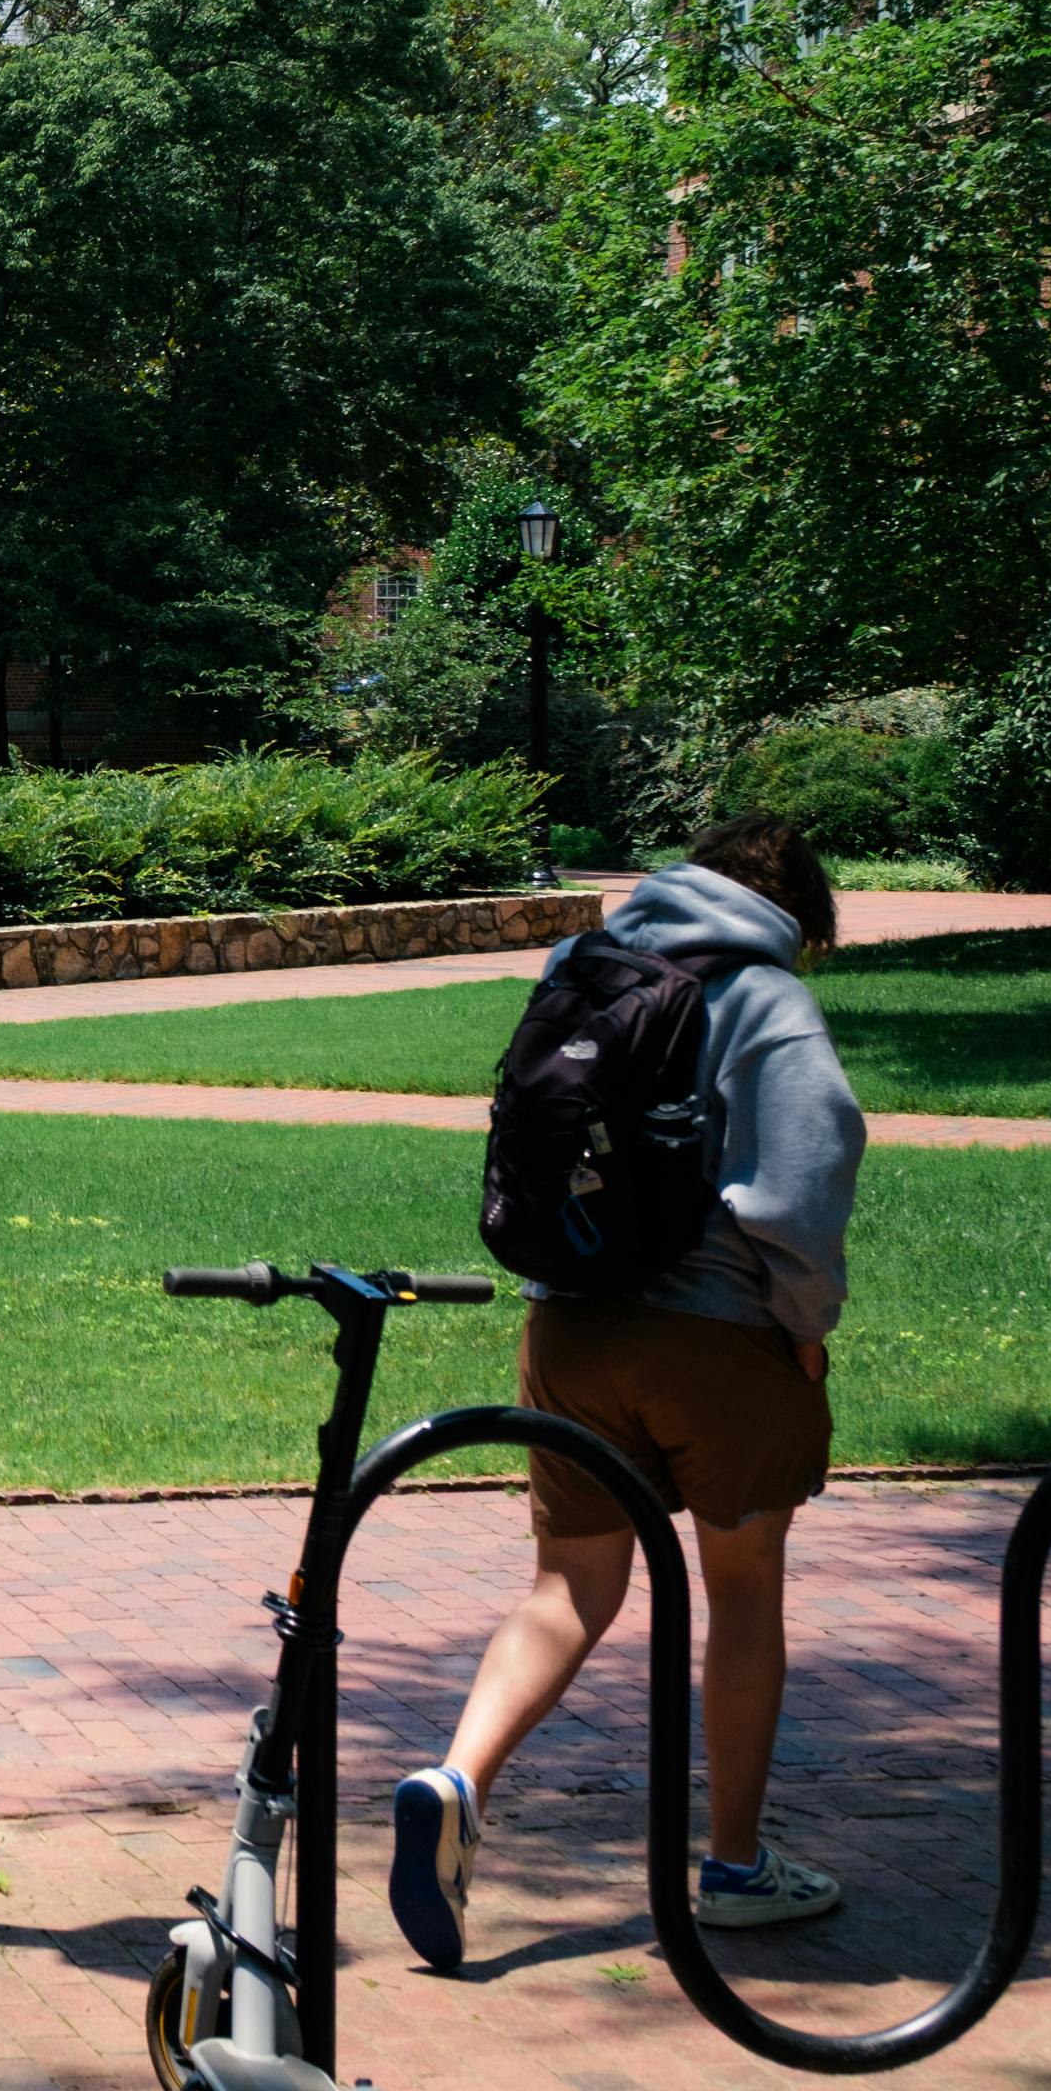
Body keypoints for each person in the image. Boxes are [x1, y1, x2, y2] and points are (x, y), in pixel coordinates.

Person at [388, 811, 867, 1970]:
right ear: (795, 905)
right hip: (717, 1339)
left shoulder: (584, 962)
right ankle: (739, 1867)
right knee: (742, 1592)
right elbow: (803, 1183)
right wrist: (802, 1330)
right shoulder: (764, 996)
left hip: (570, 1329)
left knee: (566, 1588)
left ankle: (457, 1779)